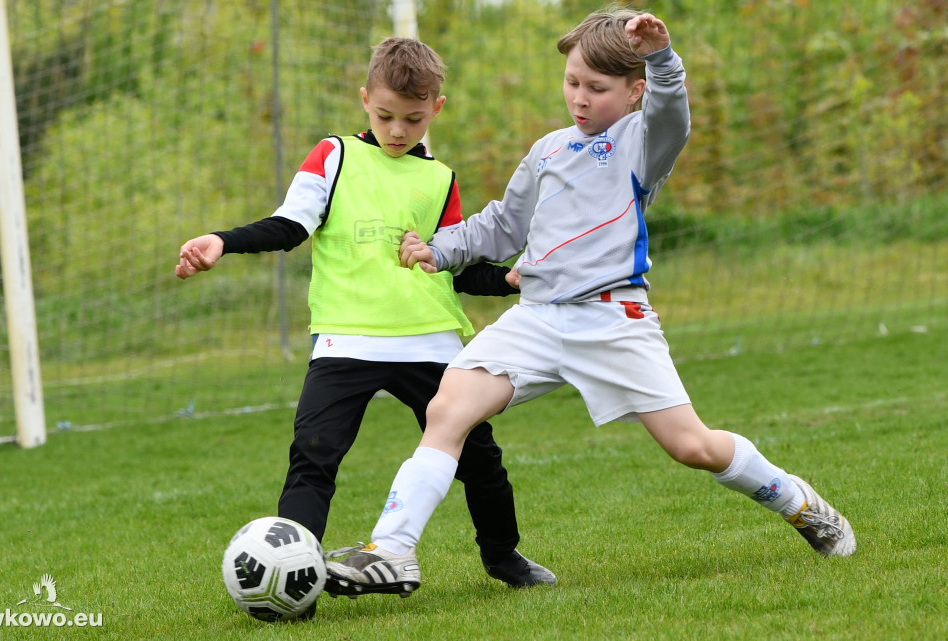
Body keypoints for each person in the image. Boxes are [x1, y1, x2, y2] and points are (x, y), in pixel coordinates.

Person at [324, 9, 856, 598]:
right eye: (572, 82)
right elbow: (504, 224)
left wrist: (662, 58)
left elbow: (673, 114)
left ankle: (800, 503)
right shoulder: (549, 150)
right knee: (448, 408)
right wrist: (440, 247)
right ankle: (394, 551)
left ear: (634, 92)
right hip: (536, 318)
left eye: (597, 89)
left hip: (612, 319)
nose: (580, 98)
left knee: (692, 446)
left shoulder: (642, 143)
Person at [175, 36, 555, 601]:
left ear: (437, 110)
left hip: (430, 343)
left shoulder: (440, 178)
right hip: (345, 342)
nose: (398, 131)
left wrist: (504, 278)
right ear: (364, 101)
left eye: (413, 119)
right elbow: (290, 226)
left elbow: (448, 264)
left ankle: (502, 556)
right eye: (384, 116)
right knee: (314, 458)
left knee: (479, 459)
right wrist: (221, 242)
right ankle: (294, 580)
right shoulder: (335, 156)